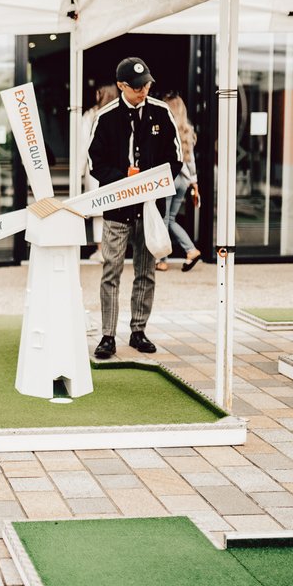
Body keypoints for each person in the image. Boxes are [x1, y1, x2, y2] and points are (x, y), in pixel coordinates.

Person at [88, 56, 182, 359]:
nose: (144, 91)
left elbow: (176, 156)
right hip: (116, 208)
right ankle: (107, 335)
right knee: (110, 269)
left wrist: (155, 179)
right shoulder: (106, 117)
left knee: (146, 270)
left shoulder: (160, 112)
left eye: (147, 85)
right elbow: (94, 162)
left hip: (151, 207)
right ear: (121, 86)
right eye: (138, 87)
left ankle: (139, 330)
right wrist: (123, 177)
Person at [157, 92, 202, 272]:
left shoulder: (165, 128)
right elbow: (190, 160)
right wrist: (194, 182)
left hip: (169, 179)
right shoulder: (187, 130)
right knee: (170, 219)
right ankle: (189, 250)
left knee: (164, 219)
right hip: (183, 181)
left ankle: (163, 259)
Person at [79, 84, 119, 262]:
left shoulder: (91, 115)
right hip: (117, 169)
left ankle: (101, 250)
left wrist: (79, 171)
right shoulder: (123, 113)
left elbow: (82, 146)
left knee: (98, 208)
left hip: (95, 168)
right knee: (114, 209)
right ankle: (115, 249)